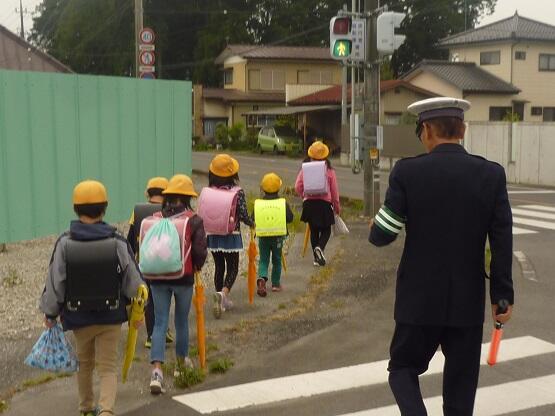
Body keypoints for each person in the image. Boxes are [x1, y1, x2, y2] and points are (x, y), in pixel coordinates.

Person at [368, 97, 514, 416]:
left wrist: (376, 226)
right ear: (462, 130)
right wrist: (502, 297)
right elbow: (502, 241)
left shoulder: (407, 172)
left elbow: (383, 234)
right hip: (467, 301)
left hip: (418, 299)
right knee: (461, 390)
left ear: (428, 130)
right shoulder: (491, 175)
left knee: (402, 368)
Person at [40, 180, 144, 416]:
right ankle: (106, 411)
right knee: (108, 367)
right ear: (104, 208)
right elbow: (133, 281)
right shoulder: (117, 241)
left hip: (79, 318)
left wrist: (50, 313)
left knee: (84, 365)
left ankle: (86, 408)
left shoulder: (65, 243)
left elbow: (56, 282)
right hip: (111, 316)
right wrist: (138, 309)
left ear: (75, 209)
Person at [142, 174, 207, 394]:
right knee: (181, 321)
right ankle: (180, 365)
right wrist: (197, 266)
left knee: (160, 322)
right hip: (183, 278)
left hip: (156, 278)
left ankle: (157, 372)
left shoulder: (155, 218)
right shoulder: (194, 220)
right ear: (187, 197)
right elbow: (199, 250)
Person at [197, 154, 254, 318]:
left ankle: (220, 297)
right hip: (231, 234)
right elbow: (243, 215)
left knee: (219, 266)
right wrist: (252, 223)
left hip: (213, 234)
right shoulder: (237, 192)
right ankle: (223, 295)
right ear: (232, 174)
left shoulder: (208, 191)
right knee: (233, 267)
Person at [126, 176, 174, 349]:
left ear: (148, 193)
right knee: (164, 297)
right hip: (165, 263)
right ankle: (160, 332)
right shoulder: (170, 211)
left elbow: (131, 240)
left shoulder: (138, 210)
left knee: (150, 300)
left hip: (145, 264)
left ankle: (152, 335)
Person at [295, 141, 340, 266]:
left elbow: (297, 186)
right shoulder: (329, 170)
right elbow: (334, 192)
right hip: (324, 204)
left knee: (313, 230)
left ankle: (316, 259)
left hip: (309, 204)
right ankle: (320, 247)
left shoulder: (305, 169)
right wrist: (337, 207)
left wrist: (304, 195)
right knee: (326, 230)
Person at [254, 173, 294, 296]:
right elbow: (290, 218)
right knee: (276, 260)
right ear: (279, 188)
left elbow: (252, 218)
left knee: (263, 259)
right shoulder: (282, 203)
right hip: (278, 237)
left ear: (263, 188)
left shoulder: (259, 204)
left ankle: (262, 278)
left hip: (263, 237)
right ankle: (275, 284)